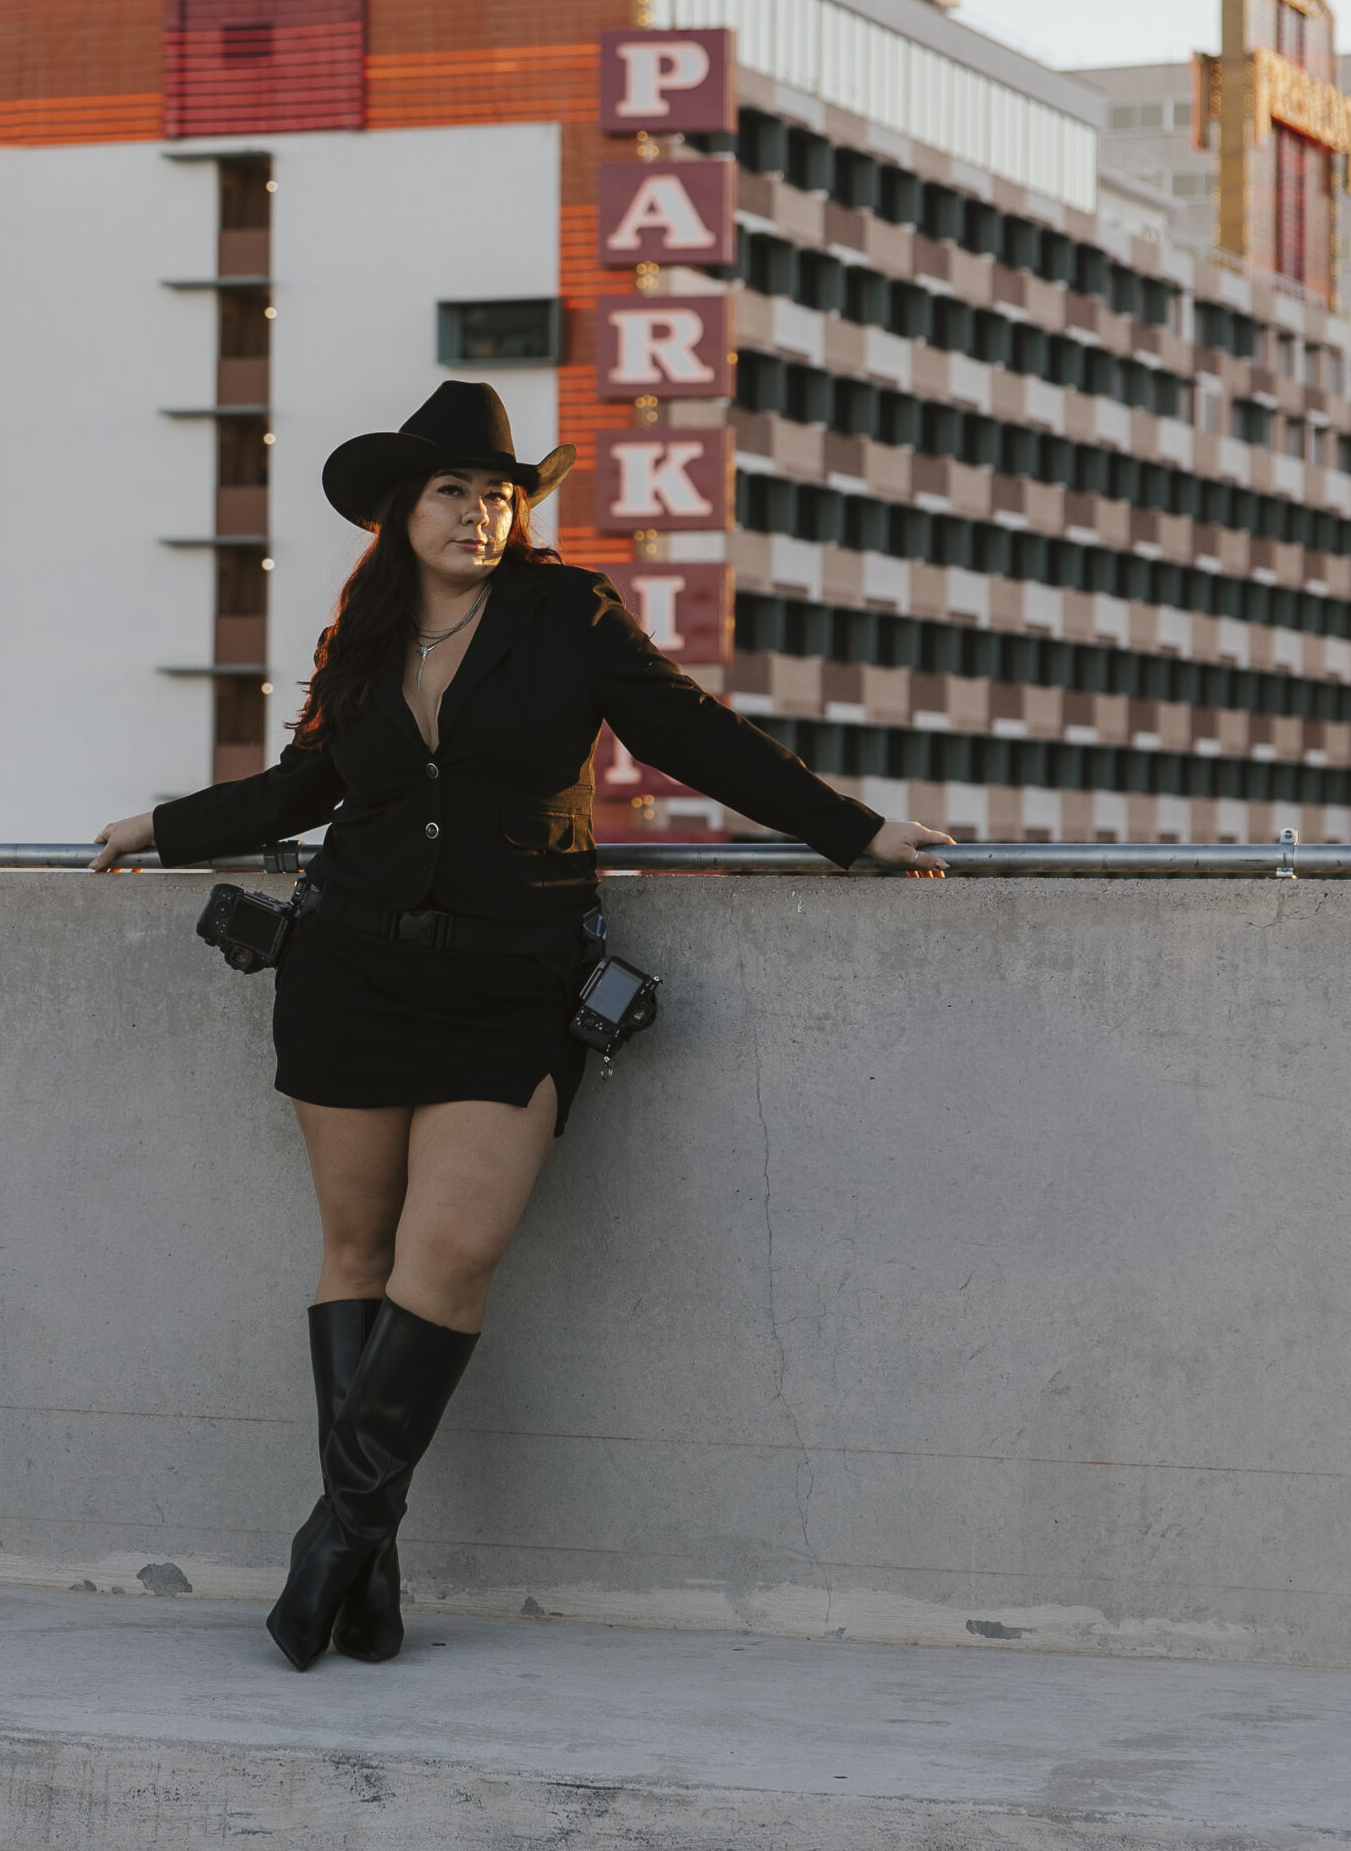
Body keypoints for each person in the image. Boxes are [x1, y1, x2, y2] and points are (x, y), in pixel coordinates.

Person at [93, 380, 950, 1671]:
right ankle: (370, 1573)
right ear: (401, 509)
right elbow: (308, 785)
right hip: (351, 970)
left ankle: (335, 1536)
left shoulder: (568, 613)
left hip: (512, 985)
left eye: (499, 496)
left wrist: (855, 829)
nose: (480, 514)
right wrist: (164, 825)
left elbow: (688, 734)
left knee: (450, 1255)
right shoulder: (367, 638)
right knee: (354, 1247)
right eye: (454, 491)